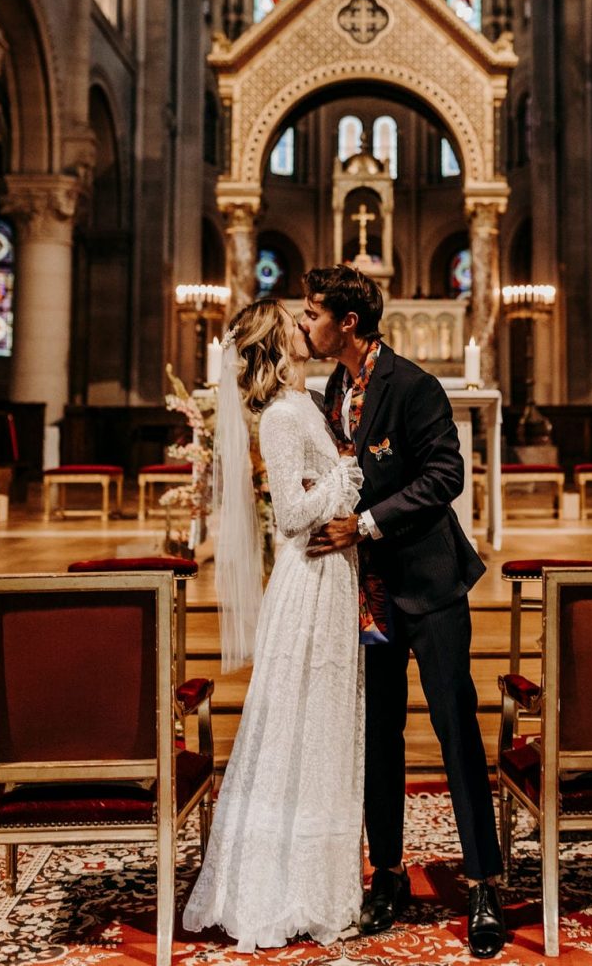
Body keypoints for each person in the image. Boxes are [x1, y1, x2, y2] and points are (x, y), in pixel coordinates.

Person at [301, 265, 507, 959]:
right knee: (378, 735)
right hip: (370, 591)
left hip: (430, 582)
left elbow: (444, 475)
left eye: (313, 312)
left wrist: (364, 525)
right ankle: (387, 875)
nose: (306, 323)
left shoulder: (414, 385)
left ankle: (483, 881)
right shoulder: (333, 389)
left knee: (456, 728)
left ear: (347, 323)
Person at [182, 298, 365, 952]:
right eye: (293, 319)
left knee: (316, 725)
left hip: (324, 575)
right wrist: (347, 473)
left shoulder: (297, 402)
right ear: (274, 339)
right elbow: (292, 512)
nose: (304, 325)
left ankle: (307, 876)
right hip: (310, 574)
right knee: (303, 725)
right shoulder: (285, 415)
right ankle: (285, 886)